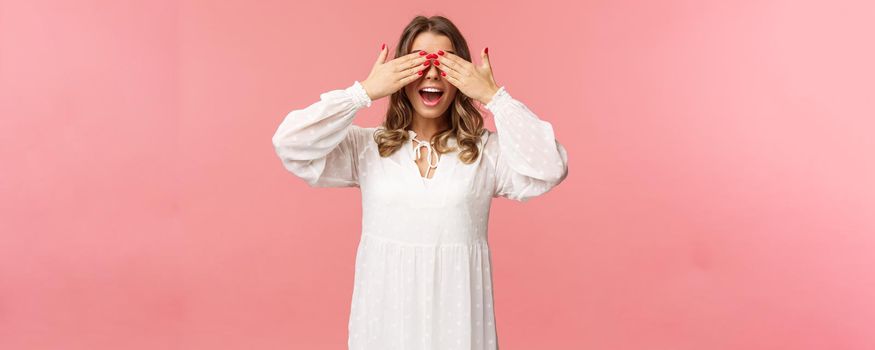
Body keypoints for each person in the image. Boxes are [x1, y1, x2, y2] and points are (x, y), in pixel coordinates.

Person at [271, 15, 568, 350]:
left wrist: (494, 97)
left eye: (445, 64)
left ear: (462, 77)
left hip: (458, 330)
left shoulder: (485, 152)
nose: (431, 74)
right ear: (399, 74)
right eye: (419, 63)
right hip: (383, 330)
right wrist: (363, 93)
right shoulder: (367, 148)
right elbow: (289, 143)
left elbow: (550, 167)